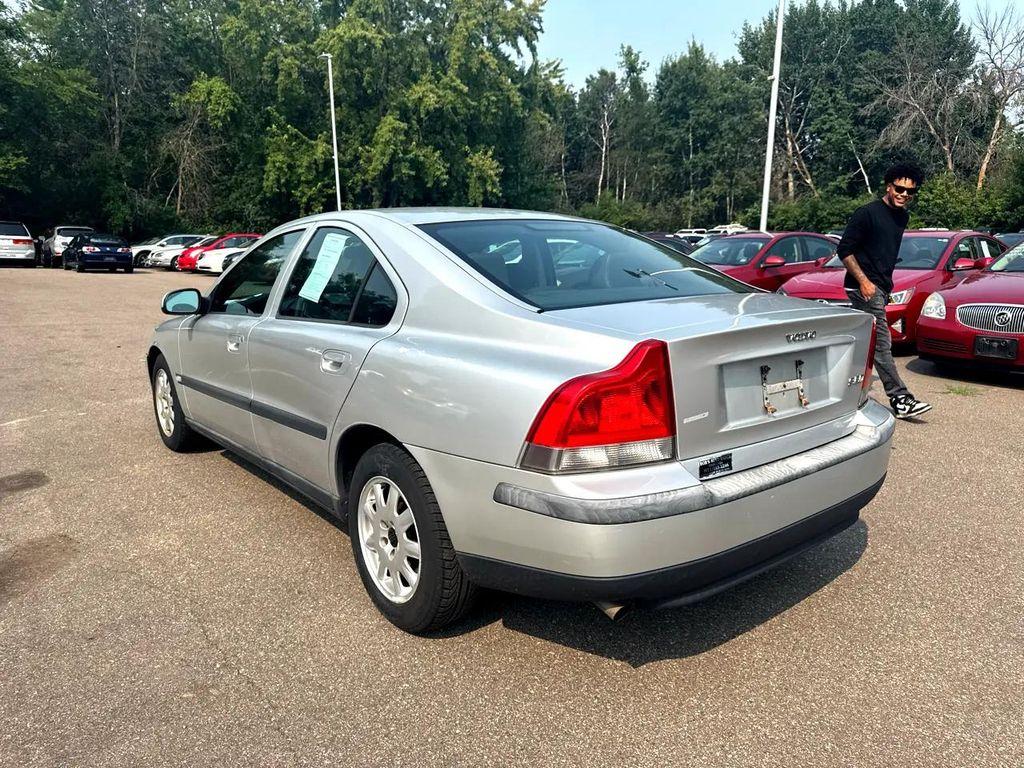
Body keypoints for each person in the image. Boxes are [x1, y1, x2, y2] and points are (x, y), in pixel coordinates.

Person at [837, 163, 932, 419]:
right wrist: (865, 282)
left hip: (880, 286)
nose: (903, 194)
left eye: (910, 191)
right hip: (863, 286)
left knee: (865, 341)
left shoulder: (902, 216)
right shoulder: (866, 213)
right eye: (899, 188)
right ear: (888, 186)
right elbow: (844, 250)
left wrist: (884, 286)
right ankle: (900, 398)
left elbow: (883, 254)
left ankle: (845, 390)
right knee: (881, 343)